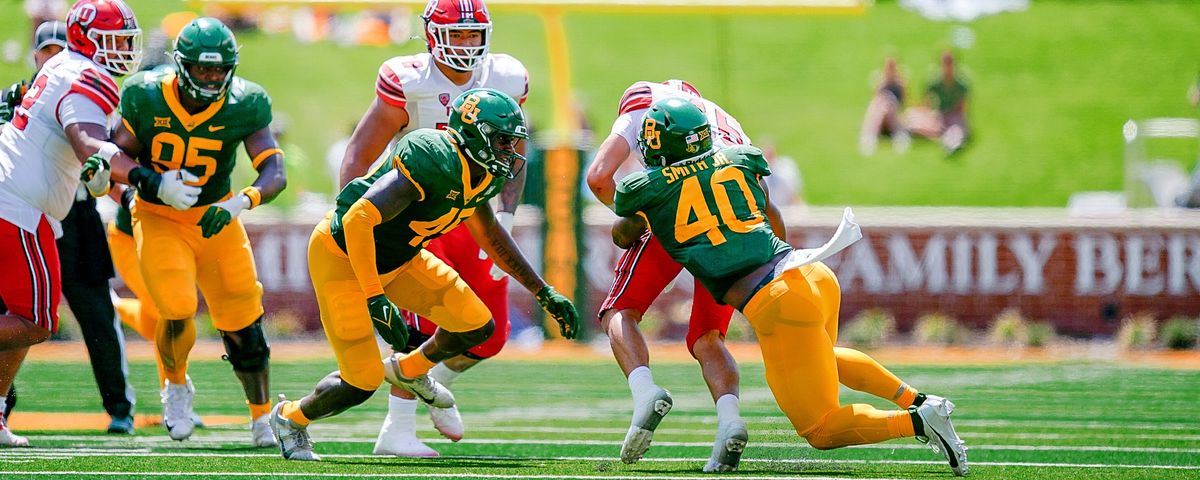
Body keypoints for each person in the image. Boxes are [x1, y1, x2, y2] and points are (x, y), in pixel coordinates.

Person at [612, 97, 969, 476]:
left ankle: (920, 421)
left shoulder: (646, 188)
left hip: (776, 302)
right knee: (823, 356)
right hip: (810, 272)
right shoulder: (738, 158)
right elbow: (772, 214)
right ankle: (918, 399)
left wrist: (648, 213)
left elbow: (623, 234)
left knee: (820, 427)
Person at [268, 88, 579, 462]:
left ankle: (408, 371)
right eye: (502, 141)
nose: (509, 151)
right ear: (475, 133)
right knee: (361, 381)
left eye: (513, 141)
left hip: (401, 261)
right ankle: (289, 418)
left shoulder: (484, 174)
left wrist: (542, 291)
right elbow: (358, 218)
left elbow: (491, 233)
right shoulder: (432, 157)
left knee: (478, 324)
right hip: (344, 257)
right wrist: (374, 297)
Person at [335, 0, 532, 457]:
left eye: (471, 35)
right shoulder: (409, 80)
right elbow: (359, 153)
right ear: (431, 35)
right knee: (428, 325)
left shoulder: (505, 76)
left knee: (491, 334)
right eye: (456, 34)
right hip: (416, 213)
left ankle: (428, 383)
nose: (465, 44)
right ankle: (397, 429)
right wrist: (350, 221)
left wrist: (507, 214)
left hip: (474, 213)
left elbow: (512, 149)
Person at [106, 17, 286, 446]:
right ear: (182, 65)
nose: (211, 77)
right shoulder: (145, 95)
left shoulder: (247, 103)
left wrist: (241, 200)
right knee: (176, 306)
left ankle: (262, 418)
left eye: (220, 69)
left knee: (244, 324)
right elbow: (112, 156)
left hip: (216, 220)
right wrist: (154, 184)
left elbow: (274, 170)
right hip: (158, 215)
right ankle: (177, 386)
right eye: (203, 69)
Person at [586, 78, 770, 472]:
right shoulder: (723, 121)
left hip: (675, 217)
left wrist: (637, 213)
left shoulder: (643, 112)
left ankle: (644, 391)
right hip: (733, 229)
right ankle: (730, 420)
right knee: (708, 338)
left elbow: (599, 177)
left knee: (621, 310)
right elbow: (762, 197)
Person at [0, 0, 143, 447]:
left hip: (32, 204)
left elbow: (78, 150)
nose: (123, 49)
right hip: (18, 203)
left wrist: (107, 177)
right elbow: (86, 143)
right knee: (36, 320)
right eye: (115, 40)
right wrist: (145, 178)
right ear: (88, 40)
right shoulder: (85, 75)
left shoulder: (63, 65)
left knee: (24, 316)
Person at [906, 51, 969, 155]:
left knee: (957, 129)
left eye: (950, 63)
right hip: (940, 116)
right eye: (945, 63)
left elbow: (961, 109)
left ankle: (951, 142)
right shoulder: (935, 82)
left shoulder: (961, 84)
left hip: (954, 116)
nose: (947, 67)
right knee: (913, 120)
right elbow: (927, 104)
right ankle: (943, 138)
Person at [859, 56, 910, 155]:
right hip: (881, 115)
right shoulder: (881, 83)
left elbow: (904, 103)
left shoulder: (900, 84)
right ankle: (870, 137)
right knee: (882, 102)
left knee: (888, 101)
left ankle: (871, 138)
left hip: (893, 115)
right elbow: (875, 100)